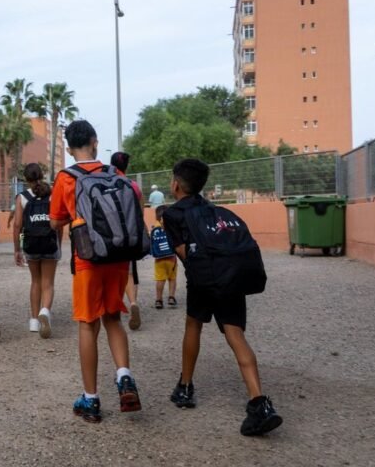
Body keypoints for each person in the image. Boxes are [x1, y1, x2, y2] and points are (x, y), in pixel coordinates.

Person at [162, 158, 283, 436]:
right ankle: (259, 402)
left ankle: (185, 387)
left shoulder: (173, 214)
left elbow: (183, 254)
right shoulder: (215, 210)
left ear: (176, 184)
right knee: (235, 334)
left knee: (194, 325)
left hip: (205, 280)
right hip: (232, 276)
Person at [50, 120, 142, 424]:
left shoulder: (66, 178)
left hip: (88, 260)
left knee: (88, 324)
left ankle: (90, 400)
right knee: (113, 317)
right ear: (94, 141)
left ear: (67, 147)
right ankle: (124, 377)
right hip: (119, 258)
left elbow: (55, 221)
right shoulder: (116, 173)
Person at [13, 163, 61, 339]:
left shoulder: (22, 197)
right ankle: (45, 312)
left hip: (31, 244)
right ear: (41, 175)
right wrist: (59, 242)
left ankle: (34, 321)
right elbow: (58, 221)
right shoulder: (52, 194)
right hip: (50, 243)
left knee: (35, 282)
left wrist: (17, 250)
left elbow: (17, 225)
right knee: (48, 283)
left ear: (26, 179)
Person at [110, 151, 143, 331]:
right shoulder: (133, 186)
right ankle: (132, 303)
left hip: (111, 235)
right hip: (130, 235)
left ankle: (114, 308)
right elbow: (139, 212)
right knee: (129, 272)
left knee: (112, 271)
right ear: (126, 166)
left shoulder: (106, 183)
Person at [150, 205, 177, 309]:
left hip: (159, 260)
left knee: (160, 280)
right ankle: (171, 297)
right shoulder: (171, 227)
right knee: (172, 278)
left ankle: (159, 300)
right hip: (171, 258)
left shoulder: (154, 228)